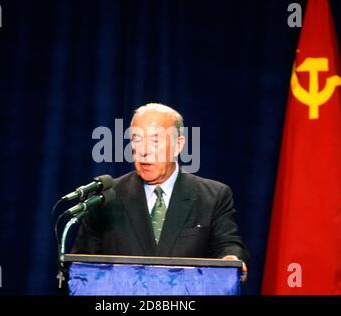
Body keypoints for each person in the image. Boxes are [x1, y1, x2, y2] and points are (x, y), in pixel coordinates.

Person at [72, 103, 248, 282]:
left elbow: (227, 246)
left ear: (178, 145)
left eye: (155, 141)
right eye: (137, 140)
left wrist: (230, 259)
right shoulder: (105, 198)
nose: (144, 151)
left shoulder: (213, 196)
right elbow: (82, 268)